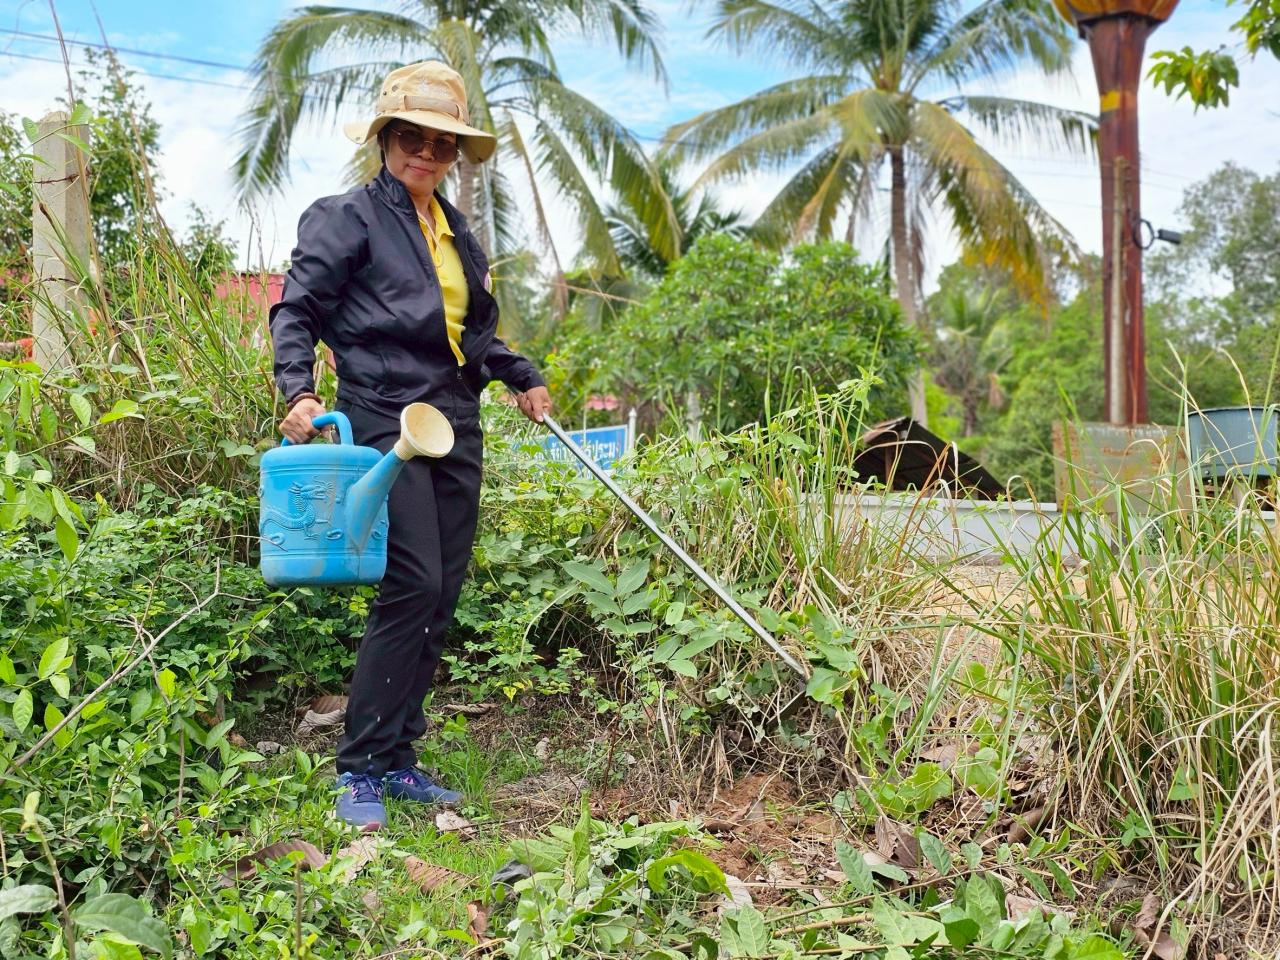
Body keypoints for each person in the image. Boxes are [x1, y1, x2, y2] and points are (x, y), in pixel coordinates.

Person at [269, 61, 552, 831]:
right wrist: (297, 389)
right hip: (385, 420)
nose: (425, 153)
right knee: (413, 583)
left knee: (443, 592)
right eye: (411, 137)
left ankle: (399, 758)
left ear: (455, 155)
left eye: (441, 144)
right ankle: (359, 767)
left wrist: (520, 375)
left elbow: (472, 340)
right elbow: (296, 310)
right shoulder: (347, 218)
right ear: (386, 139)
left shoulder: (457, 234)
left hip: (455, 423)